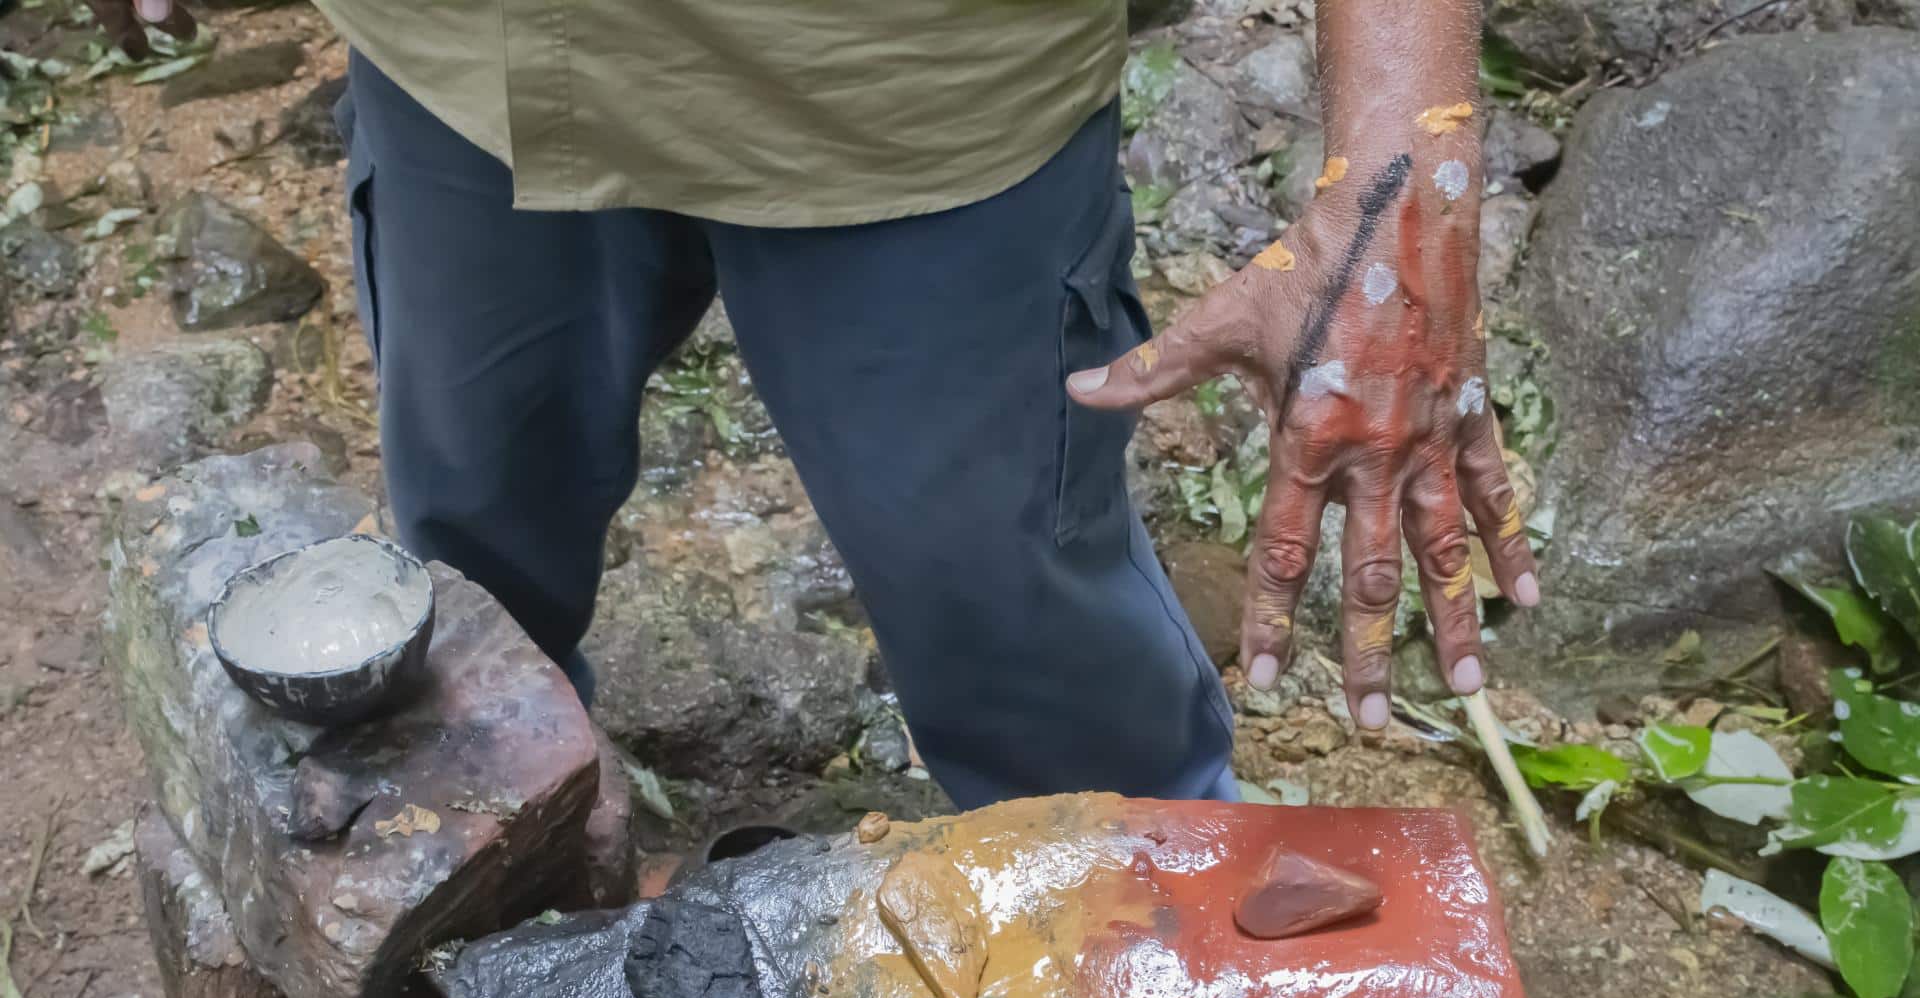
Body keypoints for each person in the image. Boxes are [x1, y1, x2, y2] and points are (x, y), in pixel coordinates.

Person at [96, 0, 1538, 814]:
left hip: (924, 91)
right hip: (470, 61)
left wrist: (1406, 146)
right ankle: (519, 898)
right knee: (468, 585)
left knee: (1048, 707)